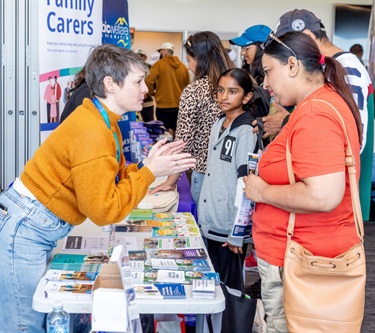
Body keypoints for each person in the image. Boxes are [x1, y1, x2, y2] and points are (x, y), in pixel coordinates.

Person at [0, 44, 196, 333]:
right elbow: (104, 210)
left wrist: (146, 167)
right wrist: (150, 171)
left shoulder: (105, 122)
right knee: (25, 325)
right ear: (110, 84)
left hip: (37, 226)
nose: (145, 90)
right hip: (27, 230)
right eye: (138, 82)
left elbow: (111, 177)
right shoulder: (93, 130)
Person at [244, 31, 362, 332]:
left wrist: (263, 191)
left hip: (300, 259)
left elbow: (324, 195)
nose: (266, 83)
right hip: (300, 255)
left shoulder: (315, 114)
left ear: (293, 66)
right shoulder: (321, 104)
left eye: (269, 72)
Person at [260, 9, 374, 221]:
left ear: (308, 38)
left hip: (332, 211)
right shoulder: (324, 73)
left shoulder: (347, 68)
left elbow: (347, 140)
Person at [149, 31, 234, 205]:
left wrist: (170, 181)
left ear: (200, 58)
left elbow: (183, 141)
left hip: (203, 172)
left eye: (189, 60)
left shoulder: (195, 91)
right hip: (231, 171)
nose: (187, 66)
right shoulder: (234, 87)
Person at [198, 68, 257, 289]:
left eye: (233, 91)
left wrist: (237, 232)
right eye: (220, 90)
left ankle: (231, 325)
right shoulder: (218, 124)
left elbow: (246, 182)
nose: (224, 96)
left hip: (228, 227)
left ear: (247, 96)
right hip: (212, 218)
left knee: (229, 289)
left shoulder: (245, 130)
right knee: (213, 283)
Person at [145, 42, 190, 136]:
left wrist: (150, 93)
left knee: (163, 135)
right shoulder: (183, 67)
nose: (160, 54)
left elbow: (148, 81)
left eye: (161, 51)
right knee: (179, 133)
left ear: (165, 51)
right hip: (179, 106)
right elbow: (187, 87)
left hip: (163, 107)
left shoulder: (158, 65)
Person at [135, 48, 155, 122]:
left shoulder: (150, 68)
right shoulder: (131, 67)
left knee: (149, 123)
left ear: (145, 58)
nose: (138, 57)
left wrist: (149, 92)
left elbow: (152, 82)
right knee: (134, 122)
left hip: (147, 100)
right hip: (134, 99)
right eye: (137, 55)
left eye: (141, 55)